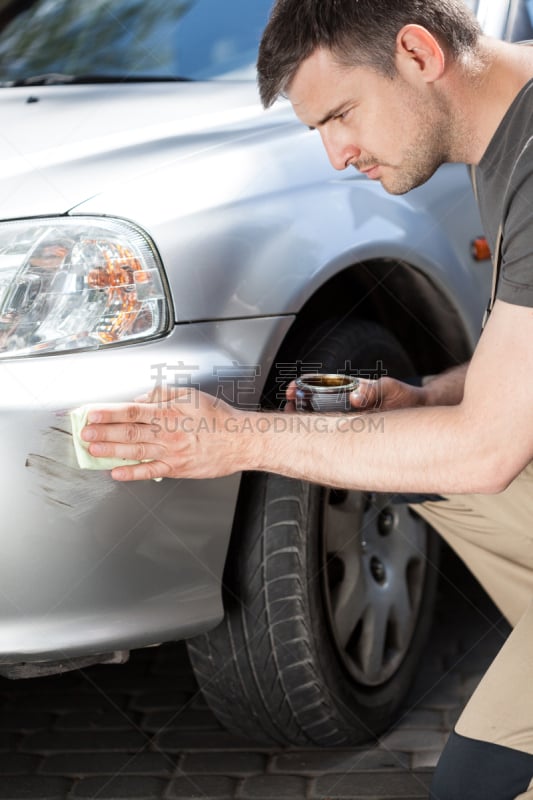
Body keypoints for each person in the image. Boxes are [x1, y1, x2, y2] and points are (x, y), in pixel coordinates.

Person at [80, 1, 533, 797]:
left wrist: (236, 440)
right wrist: (427, 394)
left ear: (418, 54)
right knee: (420, 461)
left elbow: (487, 448)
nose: (336, 154)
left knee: (482, 785)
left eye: (340, 113)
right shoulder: (509, 141)